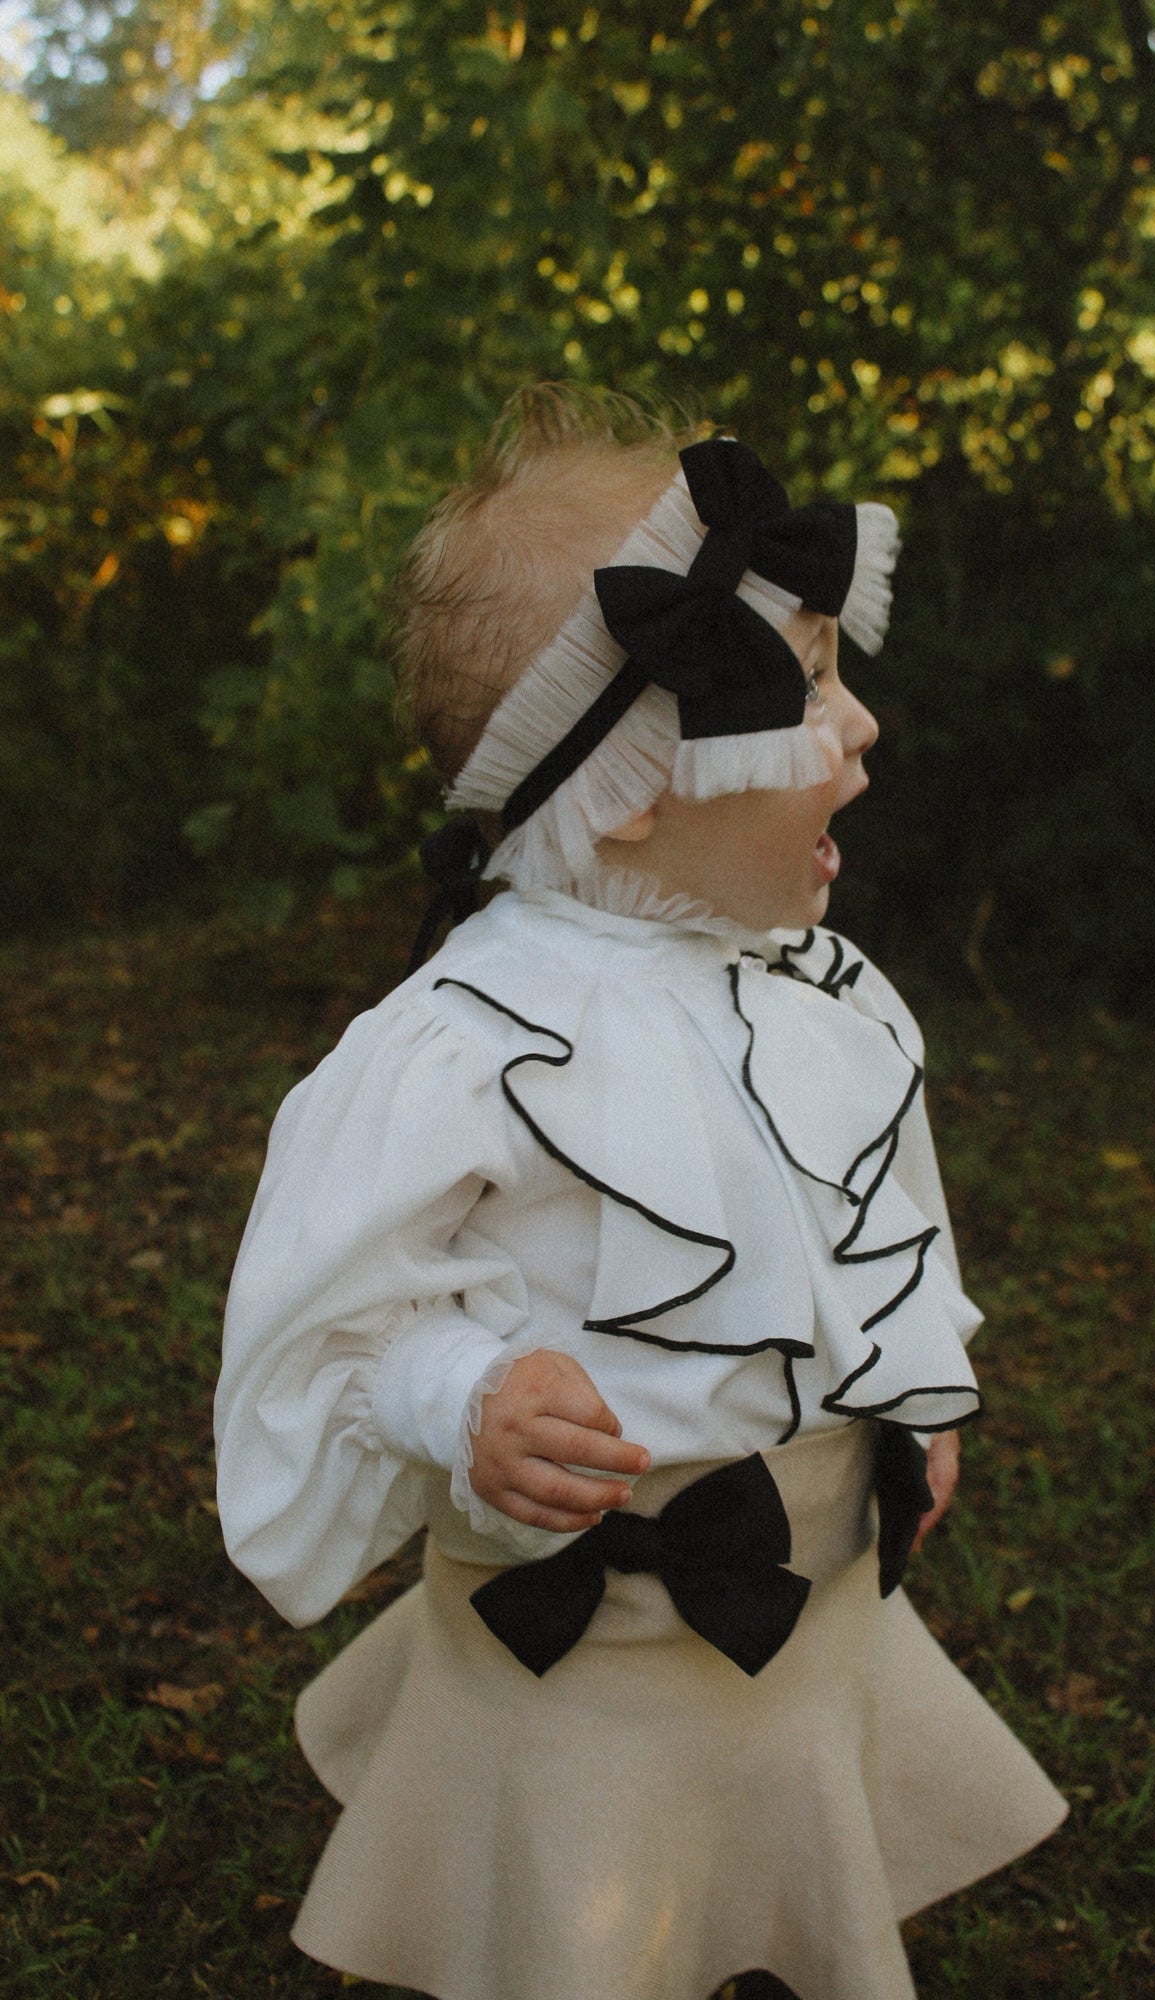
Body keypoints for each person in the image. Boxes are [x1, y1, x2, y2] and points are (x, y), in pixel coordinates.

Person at [215, 384, 1066, 2000]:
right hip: (587, 1645)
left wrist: (913, 1402)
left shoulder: (824, 989)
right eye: (809, 686)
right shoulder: (465, 1047)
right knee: (582, 1923)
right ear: (642, 783)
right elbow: (331, 1321)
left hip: (803, 1597)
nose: (861, 722)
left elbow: (875, 1225)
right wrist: (458, 1385)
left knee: (762, 1872)